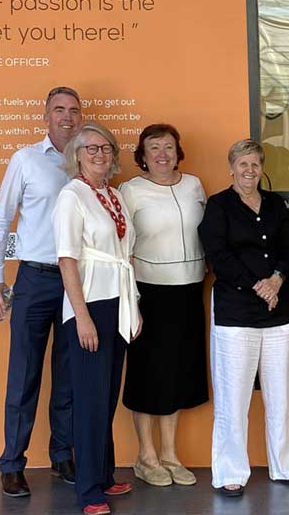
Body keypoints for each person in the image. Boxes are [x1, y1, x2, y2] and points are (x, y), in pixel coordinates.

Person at [0, 85, 81, 497]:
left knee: (69, 376)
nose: (66, 117)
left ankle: (62, 456)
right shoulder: (25, 160)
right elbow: (3, 217)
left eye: (73, 111)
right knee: (23, 374)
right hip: (34, 279)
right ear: (46, 117)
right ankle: (12, 463)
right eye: (58, 110)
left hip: (77, 282)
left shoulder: (88, 160)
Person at [201, 140, 289, 495]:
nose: (250, 170)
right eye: (243, 163)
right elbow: (219, 256)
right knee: (233, 398)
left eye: (255, 164)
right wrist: (257, 286)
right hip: (236, 313)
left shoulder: (275, 204)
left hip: (280, 311)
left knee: (282, 396)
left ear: (262, 169)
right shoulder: (218, 207)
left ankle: (288, 465)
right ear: (231, 167)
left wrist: (277, 280)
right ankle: (230, 471)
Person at [55, 122, 142, 515]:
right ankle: (89, 490)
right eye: (91, 149)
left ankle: (104, 474)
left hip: (117, 302)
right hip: (89, 304)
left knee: (106, 397)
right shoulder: (72, 196)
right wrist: (82, 316)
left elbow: (128, 256)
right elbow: (67, 259)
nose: (99, 154)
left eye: (105, 148)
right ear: (76, 154)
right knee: (89, 400)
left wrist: (133, 307)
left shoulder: (113, 195)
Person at [119, 124, 209, 487]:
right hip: (148, 293)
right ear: (143, 154)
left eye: (168, 147)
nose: (162, 154)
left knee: (178, 373)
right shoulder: (131, 190)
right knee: (148, 374)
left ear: (178, 151)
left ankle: (170, 454)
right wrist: (131, 299)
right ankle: (146, 456)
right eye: (154, 148)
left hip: (189, 291)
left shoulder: (194, 185)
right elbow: (122, 246)